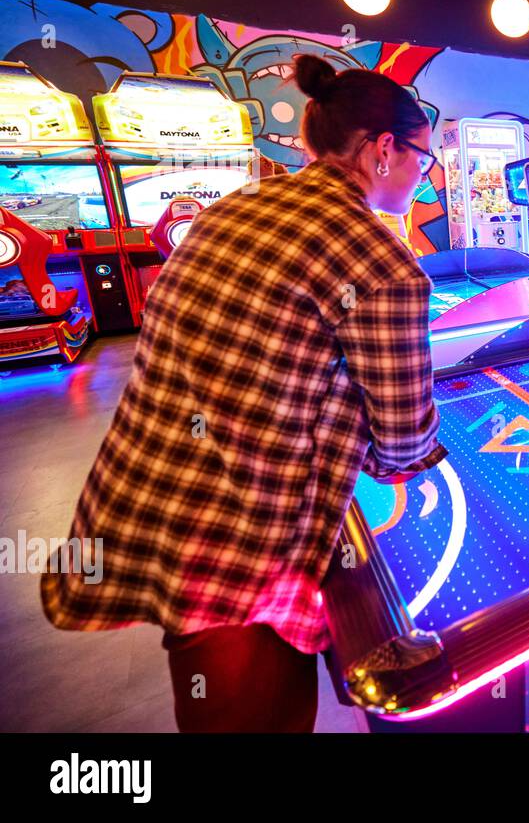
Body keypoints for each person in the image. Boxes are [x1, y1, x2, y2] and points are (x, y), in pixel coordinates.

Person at [41, 54, 446, 731]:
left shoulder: (238, 209)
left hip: (142, 504)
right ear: (383, 150)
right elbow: (405, 440)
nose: (422, 174)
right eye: (423, 160)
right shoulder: (381, 262)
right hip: (238, 546)